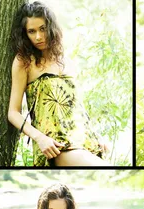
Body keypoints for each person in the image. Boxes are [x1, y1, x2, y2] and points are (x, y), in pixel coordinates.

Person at [8, 1, 108, 167]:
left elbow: (77, 108)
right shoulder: (24, 61)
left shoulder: (66, 61)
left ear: (51, 28)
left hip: (85, 142)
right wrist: (40, 138)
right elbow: (13, 113)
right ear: (25, 34)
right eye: (31, 31)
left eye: (42, 28)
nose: (38, 37)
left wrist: (97, 135)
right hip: (55, 146)